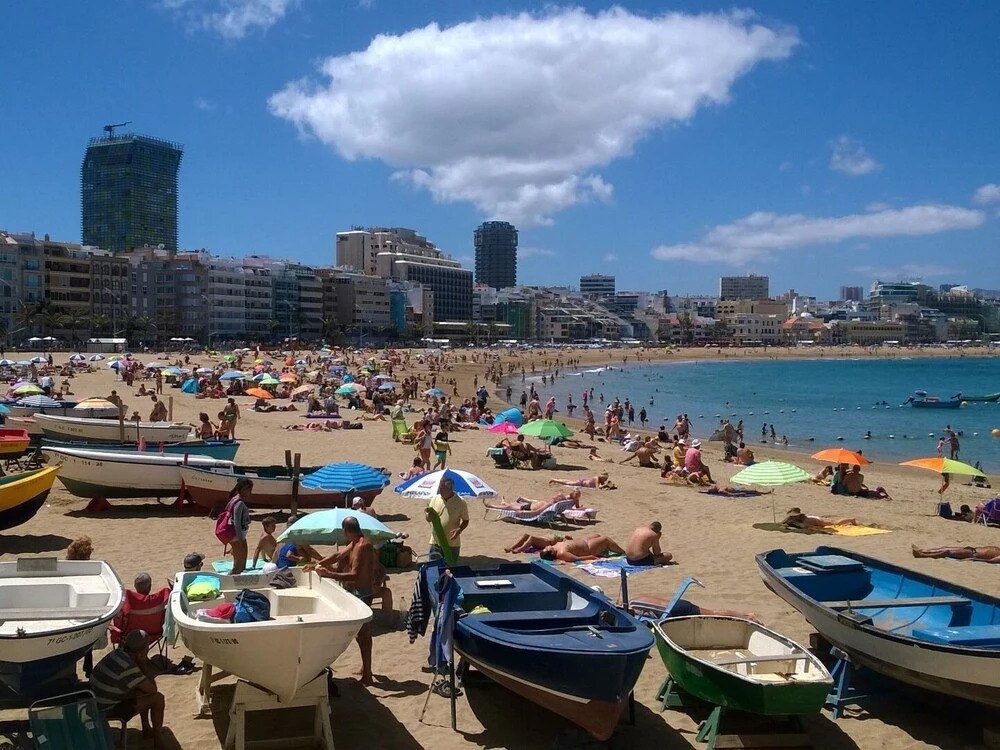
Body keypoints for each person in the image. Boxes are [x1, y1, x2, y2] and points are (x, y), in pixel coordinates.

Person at [307, 517, 377, 684]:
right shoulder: (355, 542)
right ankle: (365, 669)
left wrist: (329, 574)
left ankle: (368, 674)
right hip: (356, 592)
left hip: (363, 593)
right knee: (359, 634)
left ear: (346, 531)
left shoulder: (362, 546)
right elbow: (338, 555)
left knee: (364, 634)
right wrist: (317, 564)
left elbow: (355, 574)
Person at [89, 629, 165, 750]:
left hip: (94, 702)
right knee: (158, 699)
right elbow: (152, 689)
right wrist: (144, 664)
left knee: (140, 689)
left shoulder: (118, 653)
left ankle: (146, 729)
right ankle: (158, 741)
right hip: (106, 709)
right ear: (140, 652)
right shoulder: (128, 667)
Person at [425, 475, 469, 561]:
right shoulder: (435, 499)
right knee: (434, 567)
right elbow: (428, 519)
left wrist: (459, 529)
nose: (439, 490)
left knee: (450, 567)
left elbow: (466, 520)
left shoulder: (460, 502)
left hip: (452, 543)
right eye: (439, 488)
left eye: (442, 488)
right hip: (435, 542)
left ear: (450, 488)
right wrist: (429, 517)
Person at [226, 478, 253, 574]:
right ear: (243, 490)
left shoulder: (234, 499)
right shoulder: (239, 503)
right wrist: (240, 540)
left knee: (240, 564)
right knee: (238, 566)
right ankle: (229, 580)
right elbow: (236, 523)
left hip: (237, 536)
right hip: (237, 536)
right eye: (249, 490)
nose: (250, 493)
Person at [540, 534, 626, 562]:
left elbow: (570, 545)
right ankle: (624, 552)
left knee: (597, 535)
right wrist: (591, 557)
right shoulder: (562, 553)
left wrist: (568, 539)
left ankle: (604, 550)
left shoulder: (555, 546)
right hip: (588, 548)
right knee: (605, 539)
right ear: (552, 553)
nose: (547, 546)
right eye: (547, 549)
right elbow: (576, 558)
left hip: (585, 541)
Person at [912, 544, 1000, 563]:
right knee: (944, 547)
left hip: (972, 554)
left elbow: (990, 561)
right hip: (971, 549)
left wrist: (973, 559)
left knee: (947, 552)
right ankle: (923, 550)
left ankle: (922, 555)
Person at [782, 508, 859, 529]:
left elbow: (811, 527)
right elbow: (785, 521)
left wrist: (819, 528)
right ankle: (850, 520)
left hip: (817, 520)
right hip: (813, 518)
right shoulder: (793, 518)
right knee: (833, 523)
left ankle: (851, 520)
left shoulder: (805, 521)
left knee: (835, 524)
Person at [505, 532, 572, 554]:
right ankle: (512, 547)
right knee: (526, 535)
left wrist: (566, 539)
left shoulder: (564, 542)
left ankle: (520, 549)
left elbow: (558, 546)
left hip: (546, 542)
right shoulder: (561, 537)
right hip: (542, 539)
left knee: (532, 538)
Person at [548, 471, 616, 489]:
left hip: (583, 482)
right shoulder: (596, 478)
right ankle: (554, 480)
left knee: (568, 481)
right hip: (581, 483)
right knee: (567, 483)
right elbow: (597, 488)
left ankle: (556, 480)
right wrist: (605, 486)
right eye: (605, 479)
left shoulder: (600, 480)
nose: (605, 480)